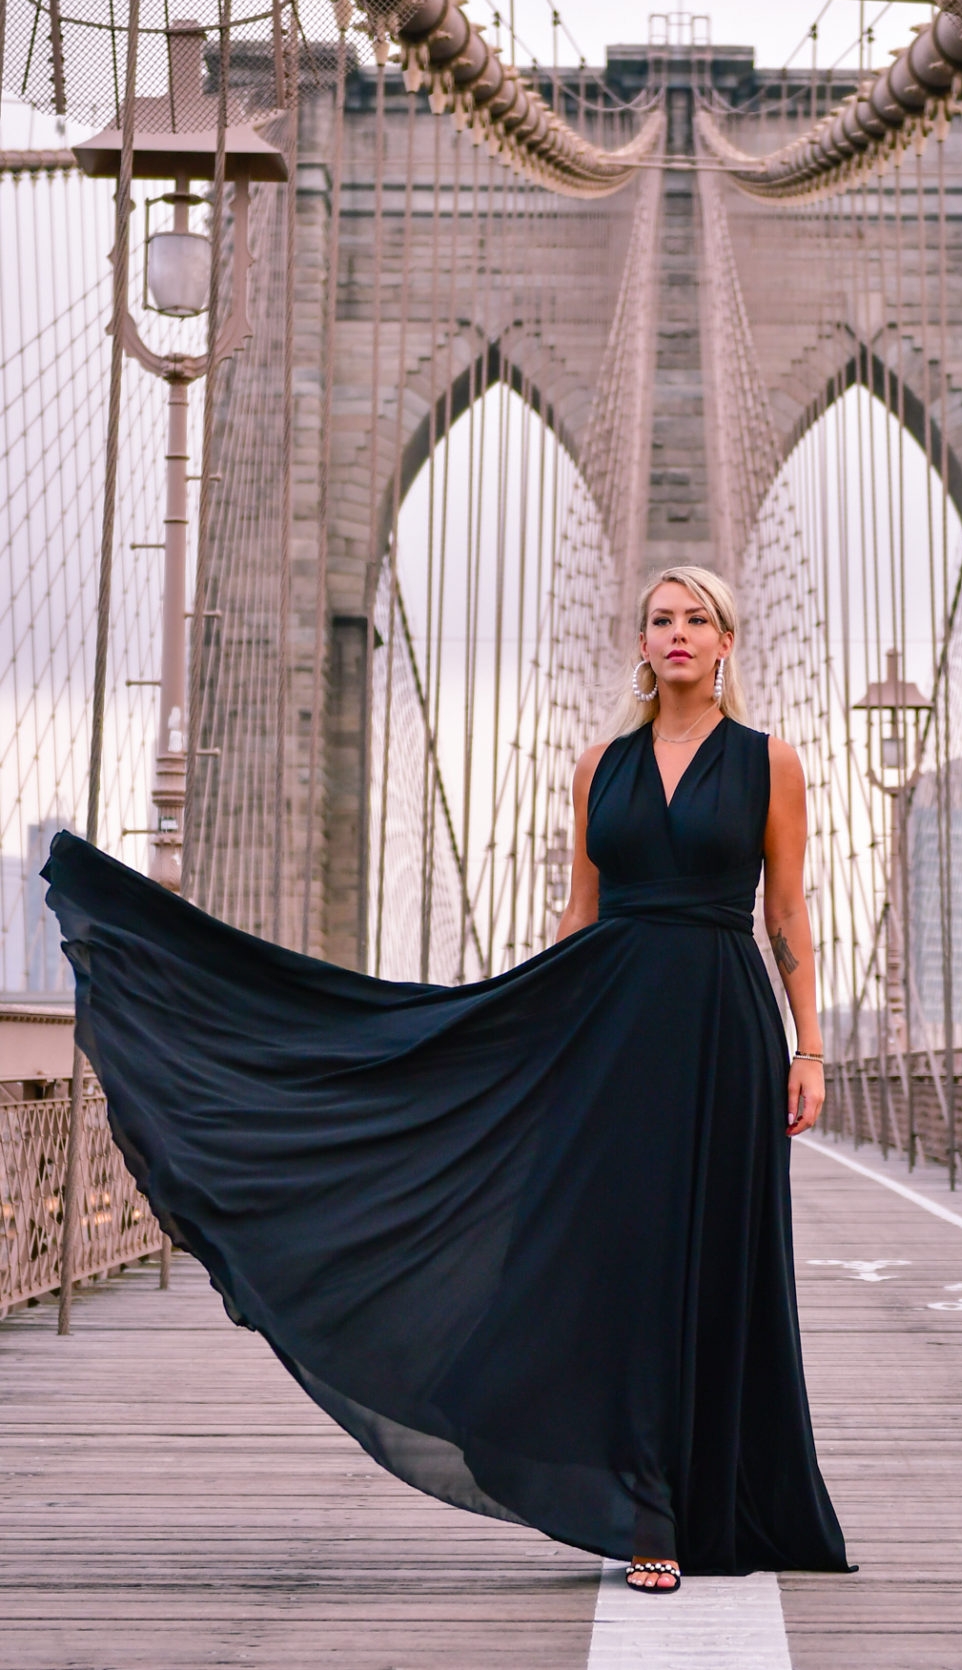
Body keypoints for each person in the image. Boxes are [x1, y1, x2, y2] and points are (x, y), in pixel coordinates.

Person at [43, 564, 849, 1592]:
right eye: (660, 619)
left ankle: (726, 1493)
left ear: (725, 640)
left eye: (697, 619)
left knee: (716, 1252)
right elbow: (579, 911)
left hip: (724, 1022)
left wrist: (808, 1044)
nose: (678, 633)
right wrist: (531, 1020)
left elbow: (785, 910)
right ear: (640, 643)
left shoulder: (769, 763)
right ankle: (645, 1503)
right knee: (622, 1259)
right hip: (609, 1023)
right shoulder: (598, 764)